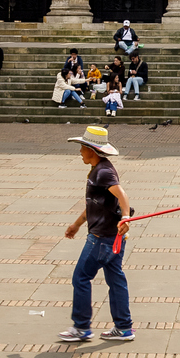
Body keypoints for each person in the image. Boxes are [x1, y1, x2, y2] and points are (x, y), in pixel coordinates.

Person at [60, 125, 134, 343]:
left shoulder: (103, 172)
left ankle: (81, 327)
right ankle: (124, 327)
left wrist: (126, 216)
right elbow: (95, 203)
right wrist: (77, 224)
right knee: (116, 280)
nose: (80, 152)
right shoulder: (97, 170)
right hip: (113, 237)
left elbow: (122, 195)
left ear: (91, 149)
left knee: (81, 278)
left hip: (101, 238)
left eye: (82, 148)